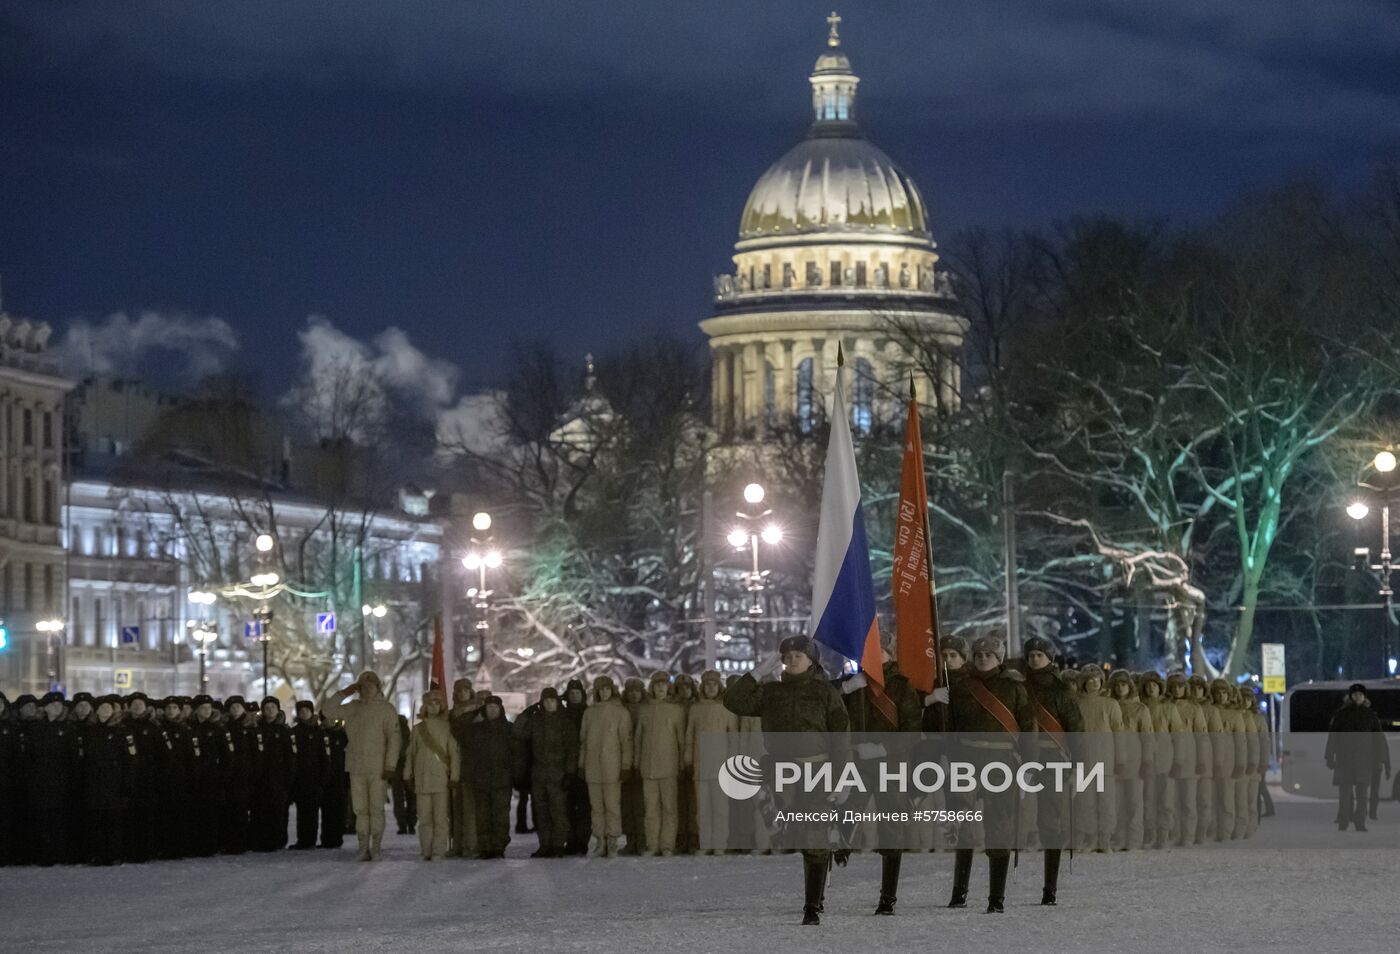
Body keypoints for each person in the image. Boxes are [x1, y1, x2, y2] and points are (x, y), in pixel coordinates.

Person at [724, 635, 849, 926]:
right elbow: (734, 701)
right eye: (787, 656)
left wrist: (842, 778)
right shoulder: (771, 693)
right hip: (780, 773)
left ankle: (812, 906)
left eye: (798, 656)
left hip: (816, 773)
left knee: (814, 837)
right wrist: (756, 673)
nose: (792, 661)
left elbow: (841, 738)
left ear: (811, 661)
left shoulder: (825, 693)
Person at [945, 635, 1032, 914]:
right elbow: (948, 727)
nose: (983, 658)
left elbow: (1028, 727)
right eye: (979, 654)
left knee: (998, 827)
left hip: (1001, 762)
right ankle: (959, 893)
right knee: (963, 827)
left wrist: (1030, 765)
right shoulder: (959, 687)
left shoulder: (1014, 688)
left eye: (989, 655)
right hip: (965, 761)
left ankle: (997, 898)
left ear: (1000, 659)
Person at [836, 646, 921, 916]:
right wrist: (846, 689)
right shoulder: (853, 682)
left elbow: (912, 732)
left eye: (879, 650)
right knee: (845, 811)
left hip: (891, 765)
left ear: (889, 655)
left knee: (891, 829)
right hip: (856, 763)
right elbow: (824, 704)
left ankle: (888, 897)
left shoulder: (901, 687)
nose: (872, 656)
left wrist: (882, 749)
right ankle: (840, 849)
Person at [1022, 637, 1084, 905]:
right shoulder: (1020, 688)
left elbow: (1077, 732)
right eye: (1032, 654)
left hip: (1053, 760)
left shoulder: (1062, 692)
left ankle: (1050, 888)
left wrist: (1079, 766)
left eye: (1040, 655)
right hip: (1022, 758)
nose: (1035, 659)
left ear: (1050, 658)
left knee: (1051, 822)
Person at [323, 671, 402, 860]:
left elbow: (394, 739)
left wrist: (390, 764)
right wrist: (344, 693)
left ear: (378, 687)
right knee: (360, 810)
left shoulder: (386, 710)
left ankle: (376, 847)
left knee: (376, 808)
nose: (366, 689)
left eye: (370, 685)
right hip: (356, 765)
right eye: (363, 686)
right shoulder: (352, 708)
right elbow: (327, 711)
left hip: (378, 767)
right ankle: (362, 847)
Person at [684, 670, 738, 856]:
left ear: (719, 686)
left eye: (714, 684)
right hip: (701, 767)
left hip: (721, 765)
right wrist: (688, 759)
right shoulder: (695, 709)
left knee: (720, 808)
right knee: (703, 810)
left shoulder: (726, 708)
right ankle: (705, 843)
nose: (711, 688)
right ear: (702, 687)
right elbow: (689, 737)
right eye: (707, 685)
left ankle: (720, 843)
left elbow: (733, 738)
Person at [403, 689, 460, 860]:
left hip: (441, 779)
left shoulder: (447, 727)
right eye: (430, 703)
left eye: (437, 703)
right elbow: (410, 754)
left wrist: (455, 776)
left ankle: (438, 850)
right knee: (424, 818)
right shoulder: (417, 729)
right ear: (425, 706)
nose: (433, 707)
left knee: (440, 818)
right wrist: (407, 774)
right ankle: (426, 849)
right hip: (422, 779)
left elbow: (454, 754)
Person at [1325, 683, 1390, 832]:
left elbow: (1378, 739)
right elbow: (1333, 737)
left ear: (1364, 697)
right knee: (1345, 795)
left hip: (1364, 761)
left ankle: (1360, 822)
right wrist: (1329, 756)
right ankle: (1343, 821)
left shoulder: (1370, 715)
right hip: (1345, 760)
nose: (1357, 697)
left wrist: (1380, 759)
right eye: (1355, 695)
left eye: (1360, 695)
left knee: (1362, 795)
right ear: (1350, 697)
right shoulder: (1341, 714)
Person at [634, 671, 685, 857]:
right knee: (651, 809)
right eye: (657, 685)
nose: (661, 688)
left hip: (669, 766)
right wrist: (636, 762)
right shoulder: (645, 710)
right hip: (648, 768)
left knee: (669, 808)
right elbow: (638, 739)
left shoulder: (676, 710)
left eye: (663, 684)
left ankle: (667, 845)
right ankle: (652, 844)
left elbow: (681, 740)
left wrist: (682, 762)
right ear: (652, 687)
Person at [580, 675, 632, 857]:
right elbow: (584, 741)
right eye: (600, 689)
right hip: (593, 767)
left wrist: (626, 765)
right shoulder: (589, 713)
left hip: (613, 767)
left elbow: (626, 742)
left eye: (607, 689)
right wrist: (581, 764)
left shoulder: (621, 713)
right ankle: (600, 840)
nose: (604, 692)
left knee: (612, 805)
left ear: (612, 690)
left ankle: (612, 840)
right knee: (597, 807)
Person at [82, 696, 136, 865]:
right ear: (96, 711)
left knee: (114, 821)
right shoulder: (89, 731)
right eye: (102, 708)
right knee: (96, 820)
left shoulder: (123, 731)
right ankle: (97, 854)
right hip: (95, 783)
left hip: (114, 783)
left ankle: (113, 854)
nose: (105, 711)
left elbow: (130, 759)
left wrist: (127, 783)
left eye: (108, 708)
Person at [1073, 667, 1122, 852]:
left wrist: (1121, 759)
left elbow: (1119, 733)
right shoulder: (1077, 704)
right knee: (1086, 802)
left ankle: (1105, 838)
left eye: (1097, 679)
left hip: (1105, 760)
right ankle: (1089, 837)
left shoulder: (1110, 705)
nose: (1094, 683)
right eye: (1090, 679)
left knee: (1106, 802)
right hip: (1083, 760)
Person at [527, 686, 580, 857]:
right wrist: (527, 713)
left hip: (558, 772)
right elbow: (519, 733)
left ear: (557, 701)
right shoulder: (536, 721)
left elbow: (572, 749)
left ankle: (558, 844)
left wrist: (570, 773)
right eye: (546, 701)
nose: (549, 704)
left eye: (552, 700)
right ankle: (545, 844)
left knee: (558, 811)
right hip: (539, 772)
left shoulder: (565, 722)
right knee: (541, 812)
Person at [467, 695, 516, 859]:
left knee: (500, 816)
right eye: (489, 707)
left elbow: (517, 753)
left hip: (502, 779)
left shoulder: (509, 728)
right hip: (481, 779)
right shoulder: (476, 729)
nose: (492, 710)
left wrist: (514, 773)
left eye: (495, 707)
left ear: (500, 709)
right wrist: (475, 713)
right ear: (484, 709)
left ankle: (498, 847)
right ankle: (485, 847)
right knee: (483, 817)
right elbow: (458, 728)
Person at [1109, 669, 1153, 851]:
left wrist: (1147, 761)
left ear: (1130, 686)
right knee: (1117, 802)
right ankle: (1119, 837)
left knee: (1135, 802)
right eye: (1117, 685)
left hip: (1135, 760)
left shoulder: (1140, 709)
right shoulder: (1111, 706)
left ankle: (1134, 839)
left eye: (1124, 684)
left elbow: (1147, 737)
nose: (1120, 688)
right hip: (1114, 760)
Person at [1138, 671, 1180, 849]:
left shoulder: (1168, 708)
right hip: (1144, 759)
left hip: (1165, 759)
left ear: (1160, 687)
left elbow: (1178, 736)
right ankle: (1149, 831)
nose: (1151, 688)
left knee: (1166, 799)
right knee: (1147, 798)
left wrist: (1179, 759)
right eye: (1148, 685)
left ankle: (1163, 833)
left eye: (1154, 685)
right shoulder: (1140, 707)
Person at [250, 697, 294, 852]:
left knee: (277, 811)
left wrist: (288, 778)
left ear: (278, 709)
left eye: (272, 707)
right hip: (260, 778)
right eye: (266, 707)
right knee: (260, 810)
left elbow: (290, 757)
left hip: (278, 778)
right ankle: (260, 840)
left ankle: (276, 841)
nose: (269, 710)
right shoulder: (256, 729)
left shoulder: (284, 731)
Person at [1166, 673, 1205, 845]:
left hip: (1190, 760)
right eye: (1173, 686)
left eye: (1180, 686)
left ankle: (1188, 835)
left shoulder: (1194, 709)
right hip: (1167, 760)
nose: (1177, 690)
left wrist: (1202, 760)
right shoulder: (1165, 706)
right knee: (1170, 801)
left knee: (1188, 801)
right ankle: (1173, 834)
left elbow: (1202, 737)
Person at [187, 694, 229, 857]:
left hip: (212, 778)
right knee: (196, 814)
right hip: (193, 778)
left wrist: (221, 776)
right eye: (203, 708)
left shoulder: (218, 729)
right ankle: (196, 844)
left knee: (210, 814)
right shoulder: (190, 728)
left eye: (208, 708)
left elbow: (227, 756)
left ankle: (209, 845)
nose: (206, 711)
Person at [448, 678, 483, 857]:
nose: (462, 693)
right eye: (459, 690)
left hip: (471, 764)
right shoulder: (450, 714)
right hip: (454, 764)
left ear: (471, 691)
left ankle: (471, 845)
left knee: (470, 808)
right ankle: (457, 845)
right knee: (455, 808)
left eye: (465, 690)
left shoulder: (478, 712)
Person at [220, 696, 256, 855]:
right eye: (232, 707)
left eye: (238, 706)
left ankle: (241, 843)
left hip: (244, 775)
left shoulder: (251, 727)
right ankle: (230, 842)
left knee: (241, 810)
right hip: (228, 775)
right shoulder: (224, 727)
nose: (235, 709)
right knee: (229, 810)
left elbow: (256, 754)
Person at [290, 700, 327, 850]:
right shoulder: (295, 732)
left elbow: (324, 757)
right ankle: (302, 839)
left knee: (312, 811)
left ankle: (310, 839)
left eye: (307, 710)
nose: (304, 713)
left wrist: (322, 778)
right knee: (302, 811)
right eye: (301, 710)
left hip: (314, 778)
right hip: (300, 778)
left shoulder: (319, 732)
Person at [561, 678, 591, 855]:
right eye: (571, 693)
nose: (574, 696)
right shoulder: (562, 714)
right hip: (565, 768)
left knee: (583, 808)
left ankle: (581, 841)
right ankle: (571, 841)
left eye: (577, 693)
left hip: (583, 767)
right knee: (567, 808)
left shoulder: (588, 713)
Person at [620, 677, 648, 854]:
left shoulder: (647, 711)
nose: (634, 694)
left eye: (637, 691)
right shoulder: (621, 711)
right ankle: (631, 839)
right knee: (627, 805)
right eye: (630, 691)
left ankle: (642, 839)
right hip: (624, 764)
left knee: (641, 804)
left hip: (643, 763)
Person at [318, 713, 350, 849]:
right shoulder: (320, 735)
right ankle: (326, 839)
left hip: (340, 778)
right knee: (326, 810)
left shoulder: (343, 735)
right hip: (325, 779)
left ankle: (337, 838)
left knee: (339, 810)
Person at [391, 714, 417, 836]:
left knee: (401, 798)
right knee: (409, 798)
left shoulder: (403, 738)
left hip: (402, 769)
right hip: (404, 769)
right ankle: (409, 824)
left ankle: (404, 824)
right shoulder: (409, 737)